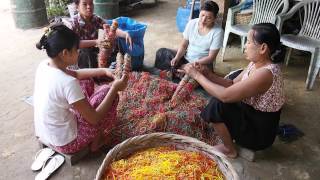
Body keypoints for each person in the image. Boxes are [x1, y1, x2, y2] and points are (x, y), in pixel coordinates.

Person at [181, 23, 285, 158]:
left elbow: (225, 96)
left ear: (263, 48)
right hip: (251, 116)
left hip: (259, 134)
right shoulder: (256, 63)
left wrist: (196, 75)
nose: (245, 46)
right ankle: (234, 139)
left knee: (217, 105)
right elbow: (231, 84)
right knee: (232, 80)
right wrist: (208, 74)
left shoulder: (266, 73)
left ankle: (230, 150)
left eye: (248, 42)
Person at [33, 24, 128, 154]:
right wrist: (114, 88)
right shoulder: (67, 83)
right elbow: (95, 118)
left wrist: (104, 71)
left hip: (47, 134)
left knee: (85, 81)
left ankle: (84, 109)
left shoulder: (44, 65)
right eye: (76, 49)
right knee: (108, 94)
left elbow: (77, 74)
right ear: (65, 53)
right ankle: (96, 141)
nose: (78, 52)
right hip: (67, 143)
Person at [154, 0, 223, 75]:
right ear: (199, 12)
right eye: (202, 15)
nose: (203, 20)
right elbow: (184, 45)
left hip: (201, 64)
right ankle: (178, 72)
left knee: (200, 75)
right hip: (186, 58)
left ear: (215, 18)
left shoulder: (218, 32)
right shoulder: (192, 23)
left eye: (208, 18)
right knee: (161, 53)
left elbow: (211, 58)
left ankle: (177, 73)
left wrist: (190, 65)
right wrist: (177, 58)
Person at [68, 0, 132, 69]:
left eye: (91, 4)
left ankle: (109, 69)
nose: (89, 7)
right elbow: (73, 43)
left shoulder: (96, 19)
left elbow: (111, 29)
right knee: (84, 52)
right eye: (84, 4)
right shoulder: (73, 23)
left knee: (112, 43)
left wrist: (125, 34)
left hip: (96, 52)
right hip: (81, 58)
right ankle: (90, 76)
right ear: (77, 6)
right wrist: (96, 41)